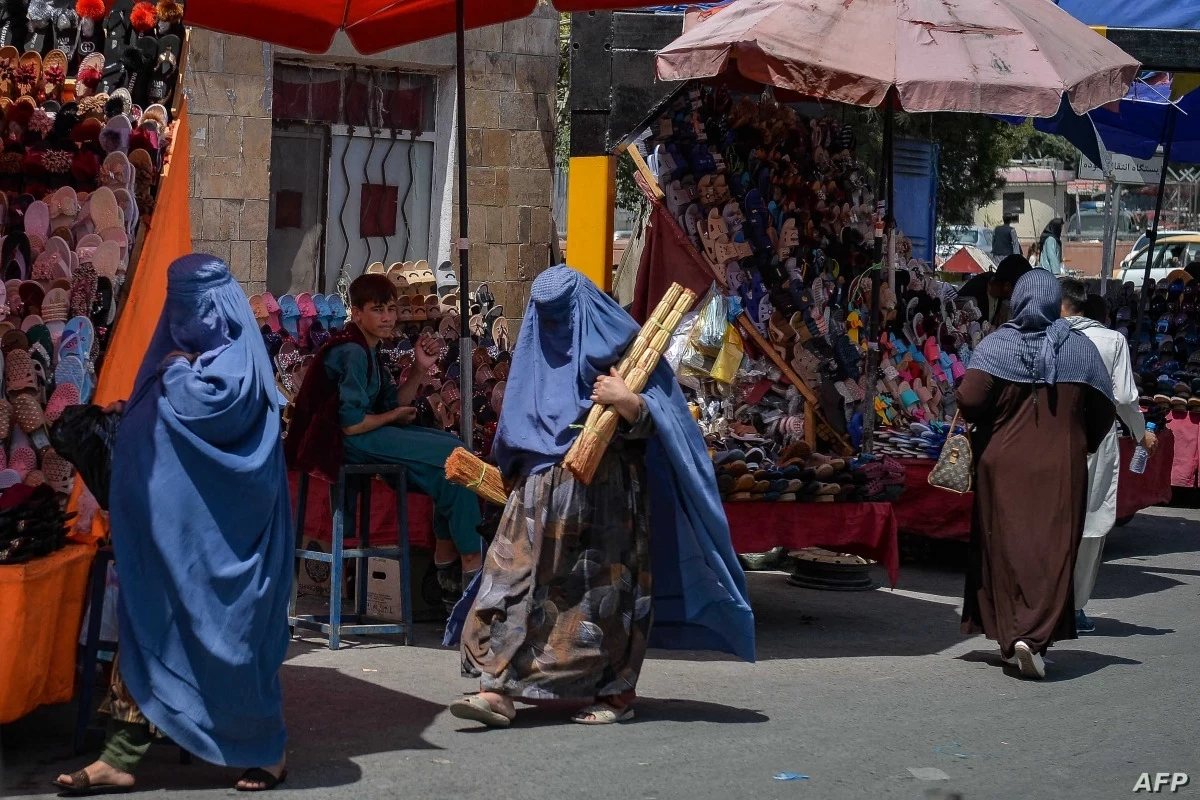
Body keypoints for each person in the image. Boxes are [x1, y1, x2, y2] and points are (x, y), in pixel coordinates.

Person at [447, 265, 755, 727]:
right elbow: (514, 428)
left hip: (607, 502)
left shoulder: (627, 348)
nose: (556, 329)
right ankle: (496, 689)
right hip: (535, 501)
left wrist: (627, 401)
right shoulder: (535, 354)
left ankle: (614, 694)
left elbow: (670, 423)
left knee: (599, 602)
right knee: (510, 585)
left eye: (563, 316)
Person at [55, 255, 293, 794]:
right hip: (168, 541)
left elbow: (217, 412)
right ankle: (119, 755)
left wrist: (178, 373)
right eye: (176, 304)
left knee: (235, 645)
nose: (183, 317)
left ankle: (266, 751)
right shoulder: (170, 362)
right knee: (147, 632)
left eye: (193, 305)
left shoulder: (234, 366)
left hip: (231, 543)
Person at [956, 269, 1116, 680]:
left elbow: (969, 399)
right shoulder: (1080, 350)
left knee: (1003, 549)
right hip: (1061, 467)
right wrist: (1080, 442)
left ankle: (1013, 636)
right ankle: (1032, 637)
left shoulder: (997, 344)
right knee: (1051, 549)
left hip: (1001, 466)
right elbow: (1103, 412)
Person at [286, 274, 483, 604]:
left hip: (366, 435)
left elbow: (394, 404)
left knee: (451, 474)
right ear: (357, 313)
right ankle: (465, 561)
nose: (388, 317)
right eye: (378, 309)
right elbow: (352, 425)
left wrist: (420, 369)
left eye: (391, 308)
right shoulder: (351, 351)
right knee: (455, 451)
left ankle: (450, 565)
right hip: (342, 443)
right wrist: (393, 418)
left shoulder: (370, 349)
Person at [1060, 281, 1157, 633]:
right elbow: (1126, 399)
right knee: (1090, 524)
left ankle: (1046, 603)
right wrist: (1140, 433)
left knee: (1052, 521)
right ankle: (1074, 607)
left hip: (1049, 439)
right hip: (1096, 441)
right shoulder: (1111, 341)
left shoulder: (1044, 334)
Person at [956, 254, 1032, 329]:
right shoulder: (971, 301)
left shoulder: (1000, 292)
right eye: (1020, 289)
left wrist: (1005, 303)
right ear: (1007, 286)